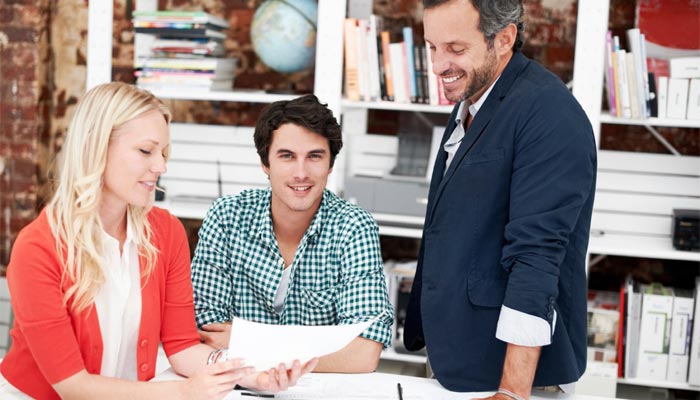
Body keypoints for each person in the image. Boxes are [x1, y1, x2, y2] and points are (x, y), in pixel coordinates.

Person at [0, 82, 316, 400]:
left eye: (163, 152)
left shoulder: (165, 233)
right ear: (97, 147)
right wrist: (184, 392)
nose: (161, 166)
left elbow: (182, 347)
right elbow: (73, 386)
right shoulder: (37, 249)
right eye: (145, 151)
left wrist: (250, 375)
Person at [403, 0, 597, 398]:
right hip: (461, 361)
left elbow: (537, 256)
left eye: (456, 48)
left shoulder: (549, 113)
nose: (437, 65)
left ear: (504, 38)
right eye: (432, 47)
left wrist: (511, 390)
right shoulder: (475, 95)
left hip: (513, 378)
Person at [191, 94, 394, 373]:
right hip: (239, 385)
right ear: (265, 163)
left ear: (330, 165)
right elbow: (207, 330)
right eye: (287, 156)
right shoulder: (227, 217)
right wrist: (311, 349)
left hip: (323, 390)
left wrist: (252, 344)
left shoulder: (353, 227)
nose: (301, 173)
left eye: (314, 156)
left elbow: (363, 353)